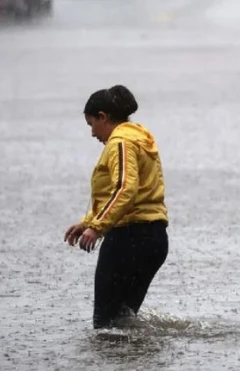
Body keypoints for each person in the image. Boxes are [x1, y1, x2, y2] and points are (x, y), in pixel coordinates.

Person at [64, 85, 169, 329]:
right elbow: (125, 191)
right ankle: (139, 362)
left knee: (105, 325)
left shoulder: (120, 143)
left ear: (103, 117)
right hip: (153, 239)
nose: (92, 134)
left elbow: (125, 189)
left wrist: (97, 228)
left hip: (128, 240)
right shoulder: (140, 138)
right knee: (123, 321)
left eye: (91, 125)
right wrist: (88, 222)